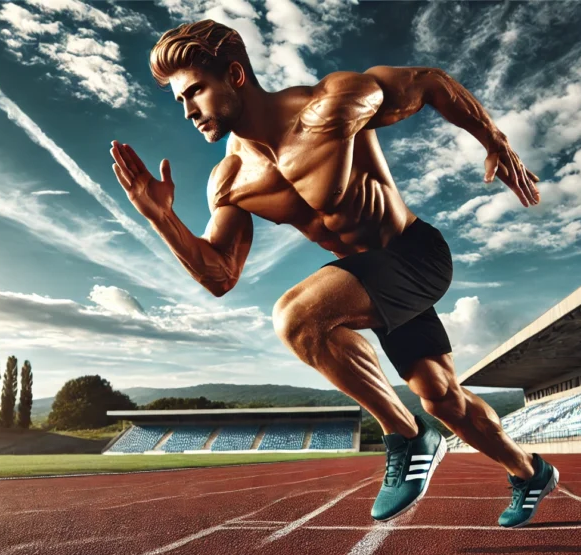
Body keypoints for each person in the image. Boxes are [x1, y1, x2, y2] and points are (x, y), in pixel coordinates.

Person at [110, 19, 558, 527]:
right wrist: (162, 218)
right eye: (180, 100)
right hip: (367, 281)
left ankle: (407, 436)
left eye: (195, 91)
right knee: (441, 397)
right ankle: (530, 472)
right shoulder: (231, 179)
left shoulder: (333, 104)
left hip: (414, 255)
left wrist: (493, 139)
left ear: (234, 75)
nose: (188, 110)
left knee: (296, 316)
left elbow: (429, 82)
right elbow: (220, 275)